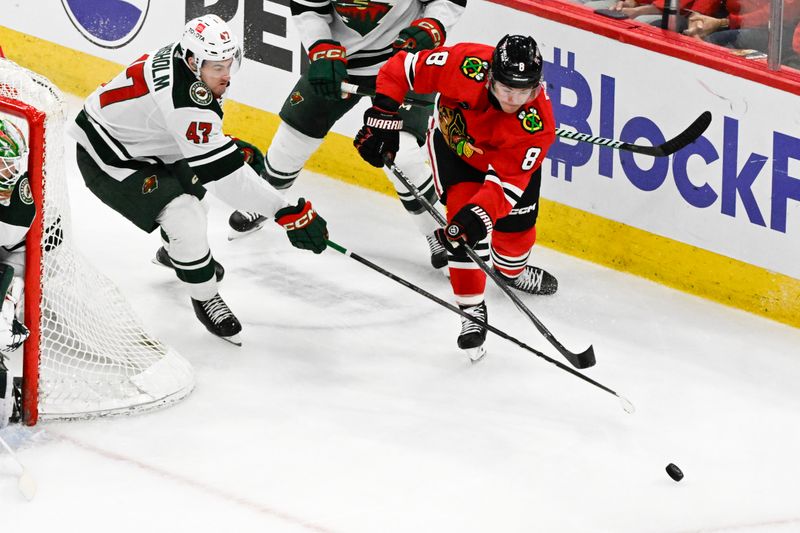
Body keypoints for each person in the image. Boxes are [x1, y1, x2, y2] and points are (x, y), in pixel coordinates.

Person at [68, 15, 329, 346]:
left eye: (228, 64)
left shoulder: (186, 65)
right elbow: (225, 178)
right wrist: (284, 212)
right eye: (216, 68)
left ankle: (176, 254)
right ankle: (205, 296)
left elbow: (185, 130)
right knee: (185, 212)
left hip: (147, 145)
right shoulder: (185, 97)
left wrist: (225, 145)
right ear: (193, 61)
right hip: (111, 159)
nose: (225, 76)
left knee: (213, 184)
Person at [353, 35, 558, 360]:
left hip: (507, 170)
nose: (515, 99)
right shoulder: (463, 65)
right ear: (489, 76)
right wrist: (382, 122)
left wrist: (479, 217)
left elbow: (504, 188)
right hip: (457, 154)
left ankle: (513, 272)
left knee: (513, 243)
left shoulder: (537, 127)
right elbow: (399, 69)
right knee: (459, 234)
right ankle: (472, 310)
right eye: (507, 89)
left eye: (525, 91)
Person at [227, 0, 466, 271]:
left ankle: (437, 232)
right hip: (343, 61)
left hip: (407, 62)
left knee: (404, 156)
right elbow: (308, 7)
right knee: (292, 138)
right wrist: (321, 48)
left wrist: (432, 25)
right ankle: (266, 201)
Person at [0, 117, 34, 427]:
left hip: (15, 259)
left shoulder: (21, 193)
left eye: (10, 164)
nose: (8, 172)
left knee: (0, 328)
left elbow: (8, 240)